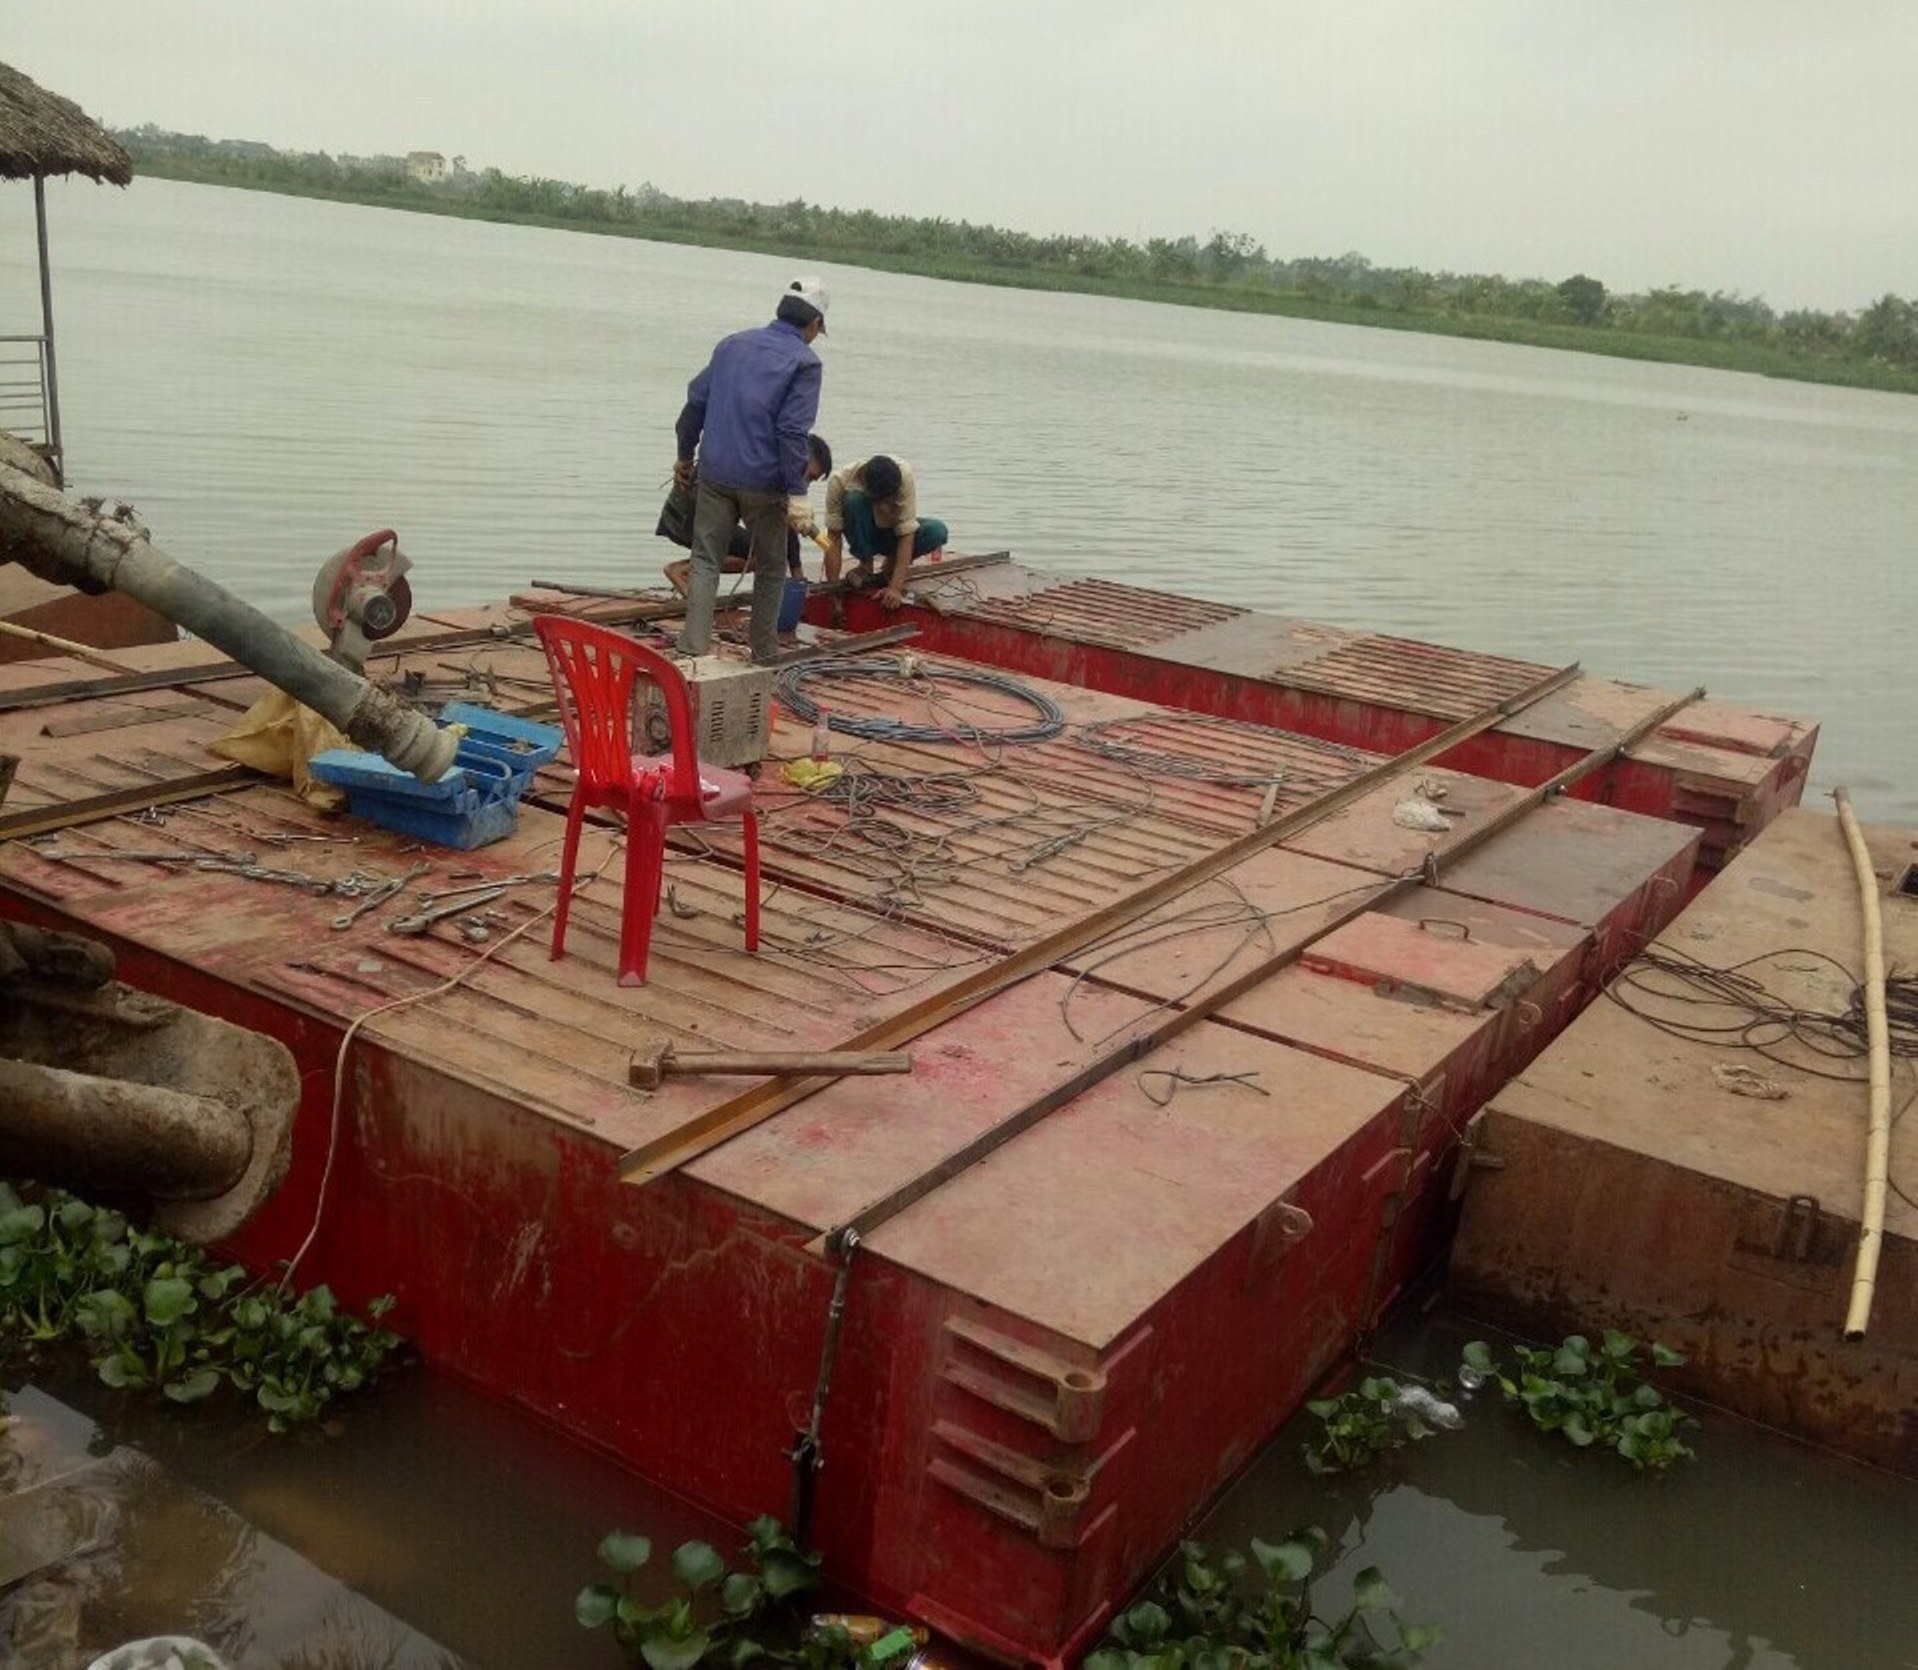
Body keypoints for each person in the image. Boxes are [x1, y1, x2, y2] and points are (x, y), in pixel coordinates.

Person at [673, 278, 827, 662]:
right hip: (764, 481)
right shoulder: (805, 363)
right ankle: (763, 652)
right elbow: (792, 431)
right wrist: (797, 492)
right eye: (818, 330)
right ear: (814, 323)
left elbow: (695, 403)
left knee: (705, 559)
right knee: (772, 567)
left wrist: (684, 455)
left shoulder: (732, 344)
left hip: (716, 472)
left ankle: (694, 650)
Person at [662, 434, 832, 646]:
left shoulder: (762, 451)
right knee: (761, 556)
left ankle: (695, 612)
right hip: (689, 516)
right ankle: (683, 572)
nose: (804, 484)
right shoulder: (770, 465)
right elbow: (782, 524)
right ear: (800, 455)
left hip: (686, 513)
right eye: (808, 476)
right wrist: (797, 573)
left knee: (755, 548)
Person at [820, 455, 949, 610]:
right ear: (864, 480)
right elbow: (833, 538)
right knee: (853, 501)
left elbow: (907, 533)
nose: (882, 506)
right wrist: (833, 593)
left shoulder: (904, 475)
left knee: (937, 531)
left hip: (893, 533)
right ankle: (865, 565)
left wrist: (895, 588)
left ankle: (891, 565)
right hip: (867, 533)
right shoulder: (839, 481)